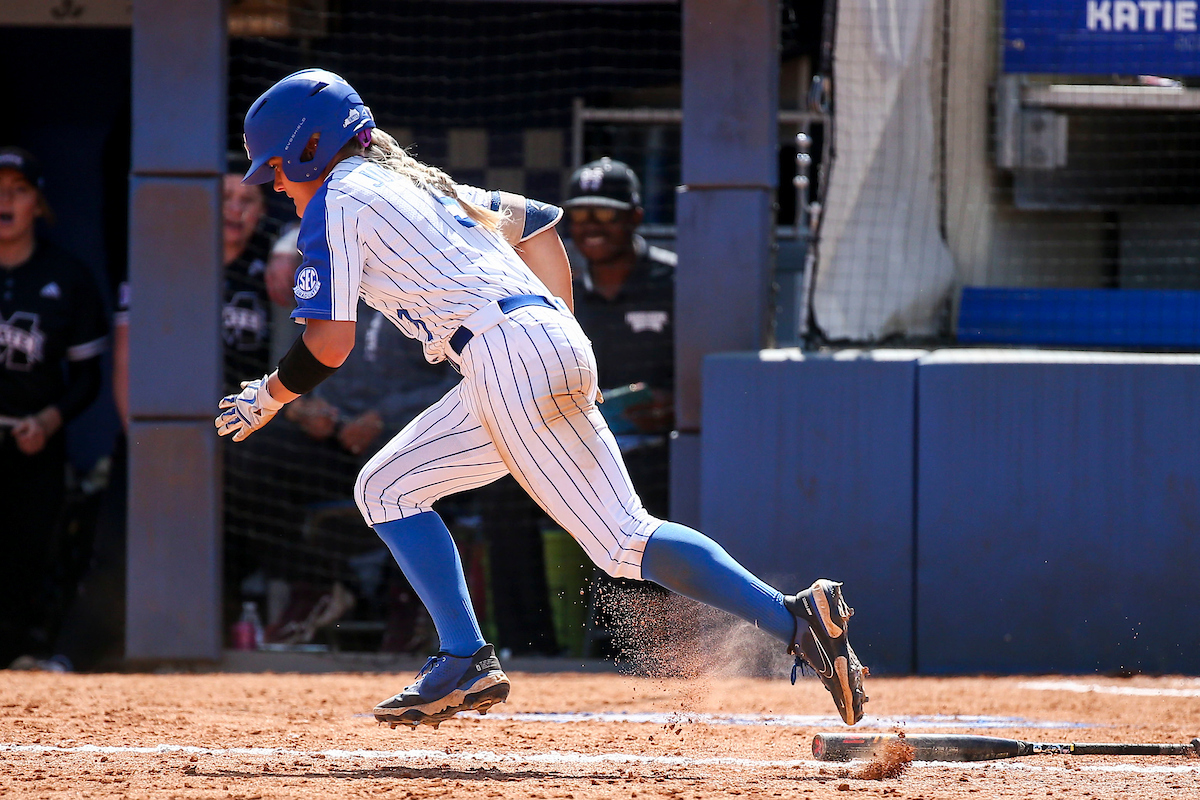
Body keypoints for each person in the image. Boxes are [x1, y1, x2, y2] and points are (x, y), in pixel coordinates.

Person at [216, 69, 867, 727]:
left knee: (620, 542)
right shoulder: (415, 182)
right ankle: (464, 655)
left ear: (309, 149)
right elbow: (539, 225)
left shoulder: (339, 197)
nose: (272, 183)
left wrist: (270, 395)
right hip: (535, 339)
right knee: (385, 488)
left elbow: (329, 343)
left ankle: (790, 618)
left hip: (504, 354)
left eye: (274, 167)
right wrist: (557, 329)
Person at [0, 146, 109, 667]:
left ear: (38, 203)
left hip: (32, 441)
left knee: (26, 554)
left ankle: (21, 652)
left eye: (18, 191)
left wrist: (49, 419)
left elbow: (88, 378)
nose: (5, 201)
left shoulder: (67, 276)